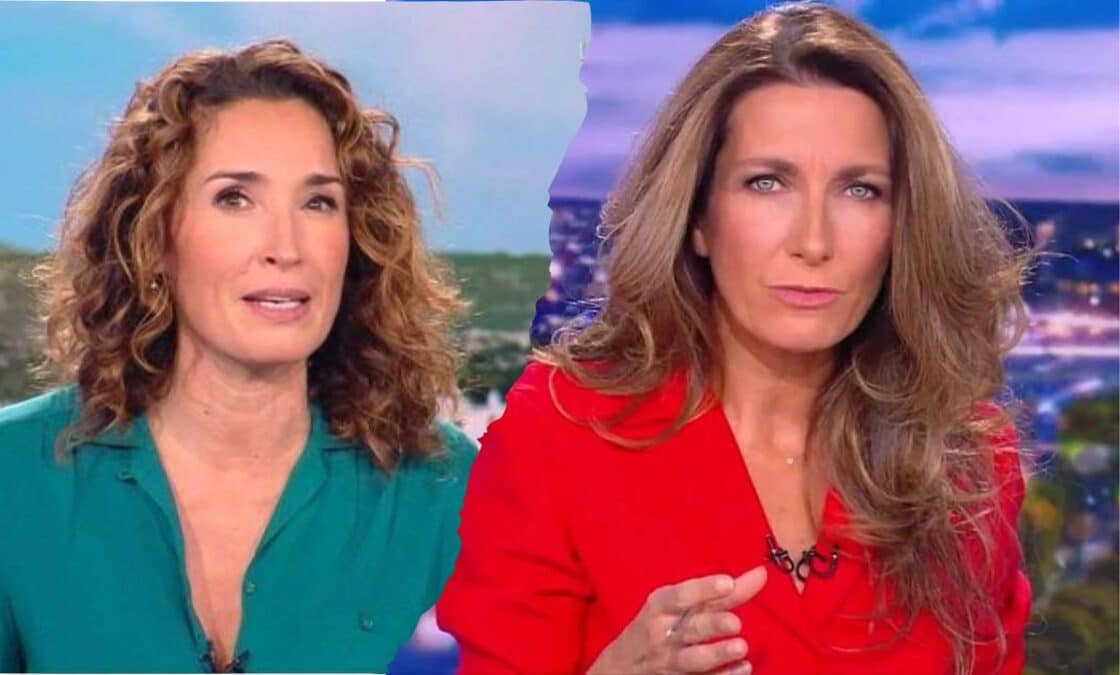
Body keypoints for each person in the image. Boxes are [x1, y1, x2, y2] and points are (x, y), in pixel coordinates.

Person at [437, 4, 1031, 674]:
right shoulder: (561, 432)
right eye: (767, 183)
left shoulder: (967, 464)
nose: (813, 241)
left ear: (902, 226)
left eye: (860, 190)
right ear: (698, 218)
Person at [0, 39, 475, 673]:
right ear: (154, 237)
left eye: (318, 202)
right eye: (235, 198)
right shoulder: (9, 471)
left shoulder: (443, 486)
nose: (286, 247)